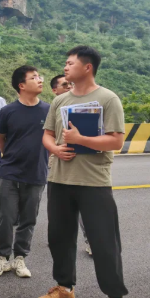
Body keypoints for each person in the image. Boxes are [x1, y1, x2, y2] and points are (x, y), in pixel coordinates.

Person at [39, 45, 128, 298]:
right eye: (65, 63)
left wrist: (81, 139)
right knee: (59, 238)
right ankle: (64, 288)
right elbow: (47, 135)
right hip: (59, 179)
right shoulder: (60, 100)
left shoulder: (108, 99)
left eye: (70, 63)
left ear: (87, 67)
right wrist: (56, 149)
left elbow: (116, 141)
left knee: (104, 242)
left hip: (93, 182)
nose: (65, 67)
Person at [0, 66, 49, 279]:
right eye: (34, 77)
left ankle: (20, 257)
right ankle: (2, 257)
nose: (40, 80)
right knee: (5, 216)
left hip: (37, 172)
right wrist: (10, 156)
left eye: (39, 76)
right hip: (10, 172)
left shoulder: (48, 110)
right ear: (21, 85)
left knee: (29, 218)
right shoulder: (8, 111)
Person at [50, 74, 90, 256]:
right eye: (64, 84)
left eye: (70, 84)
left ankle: (89, 240)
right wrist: (54, 150)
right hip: (55, 163)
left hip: (80, 164)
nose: (69, 87)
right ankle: (59, 239)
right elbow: (46, 135)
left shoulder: (83, 107)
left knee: (82, 205)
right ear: (54, 90)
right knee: (57, 207)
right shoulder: (51, 108)